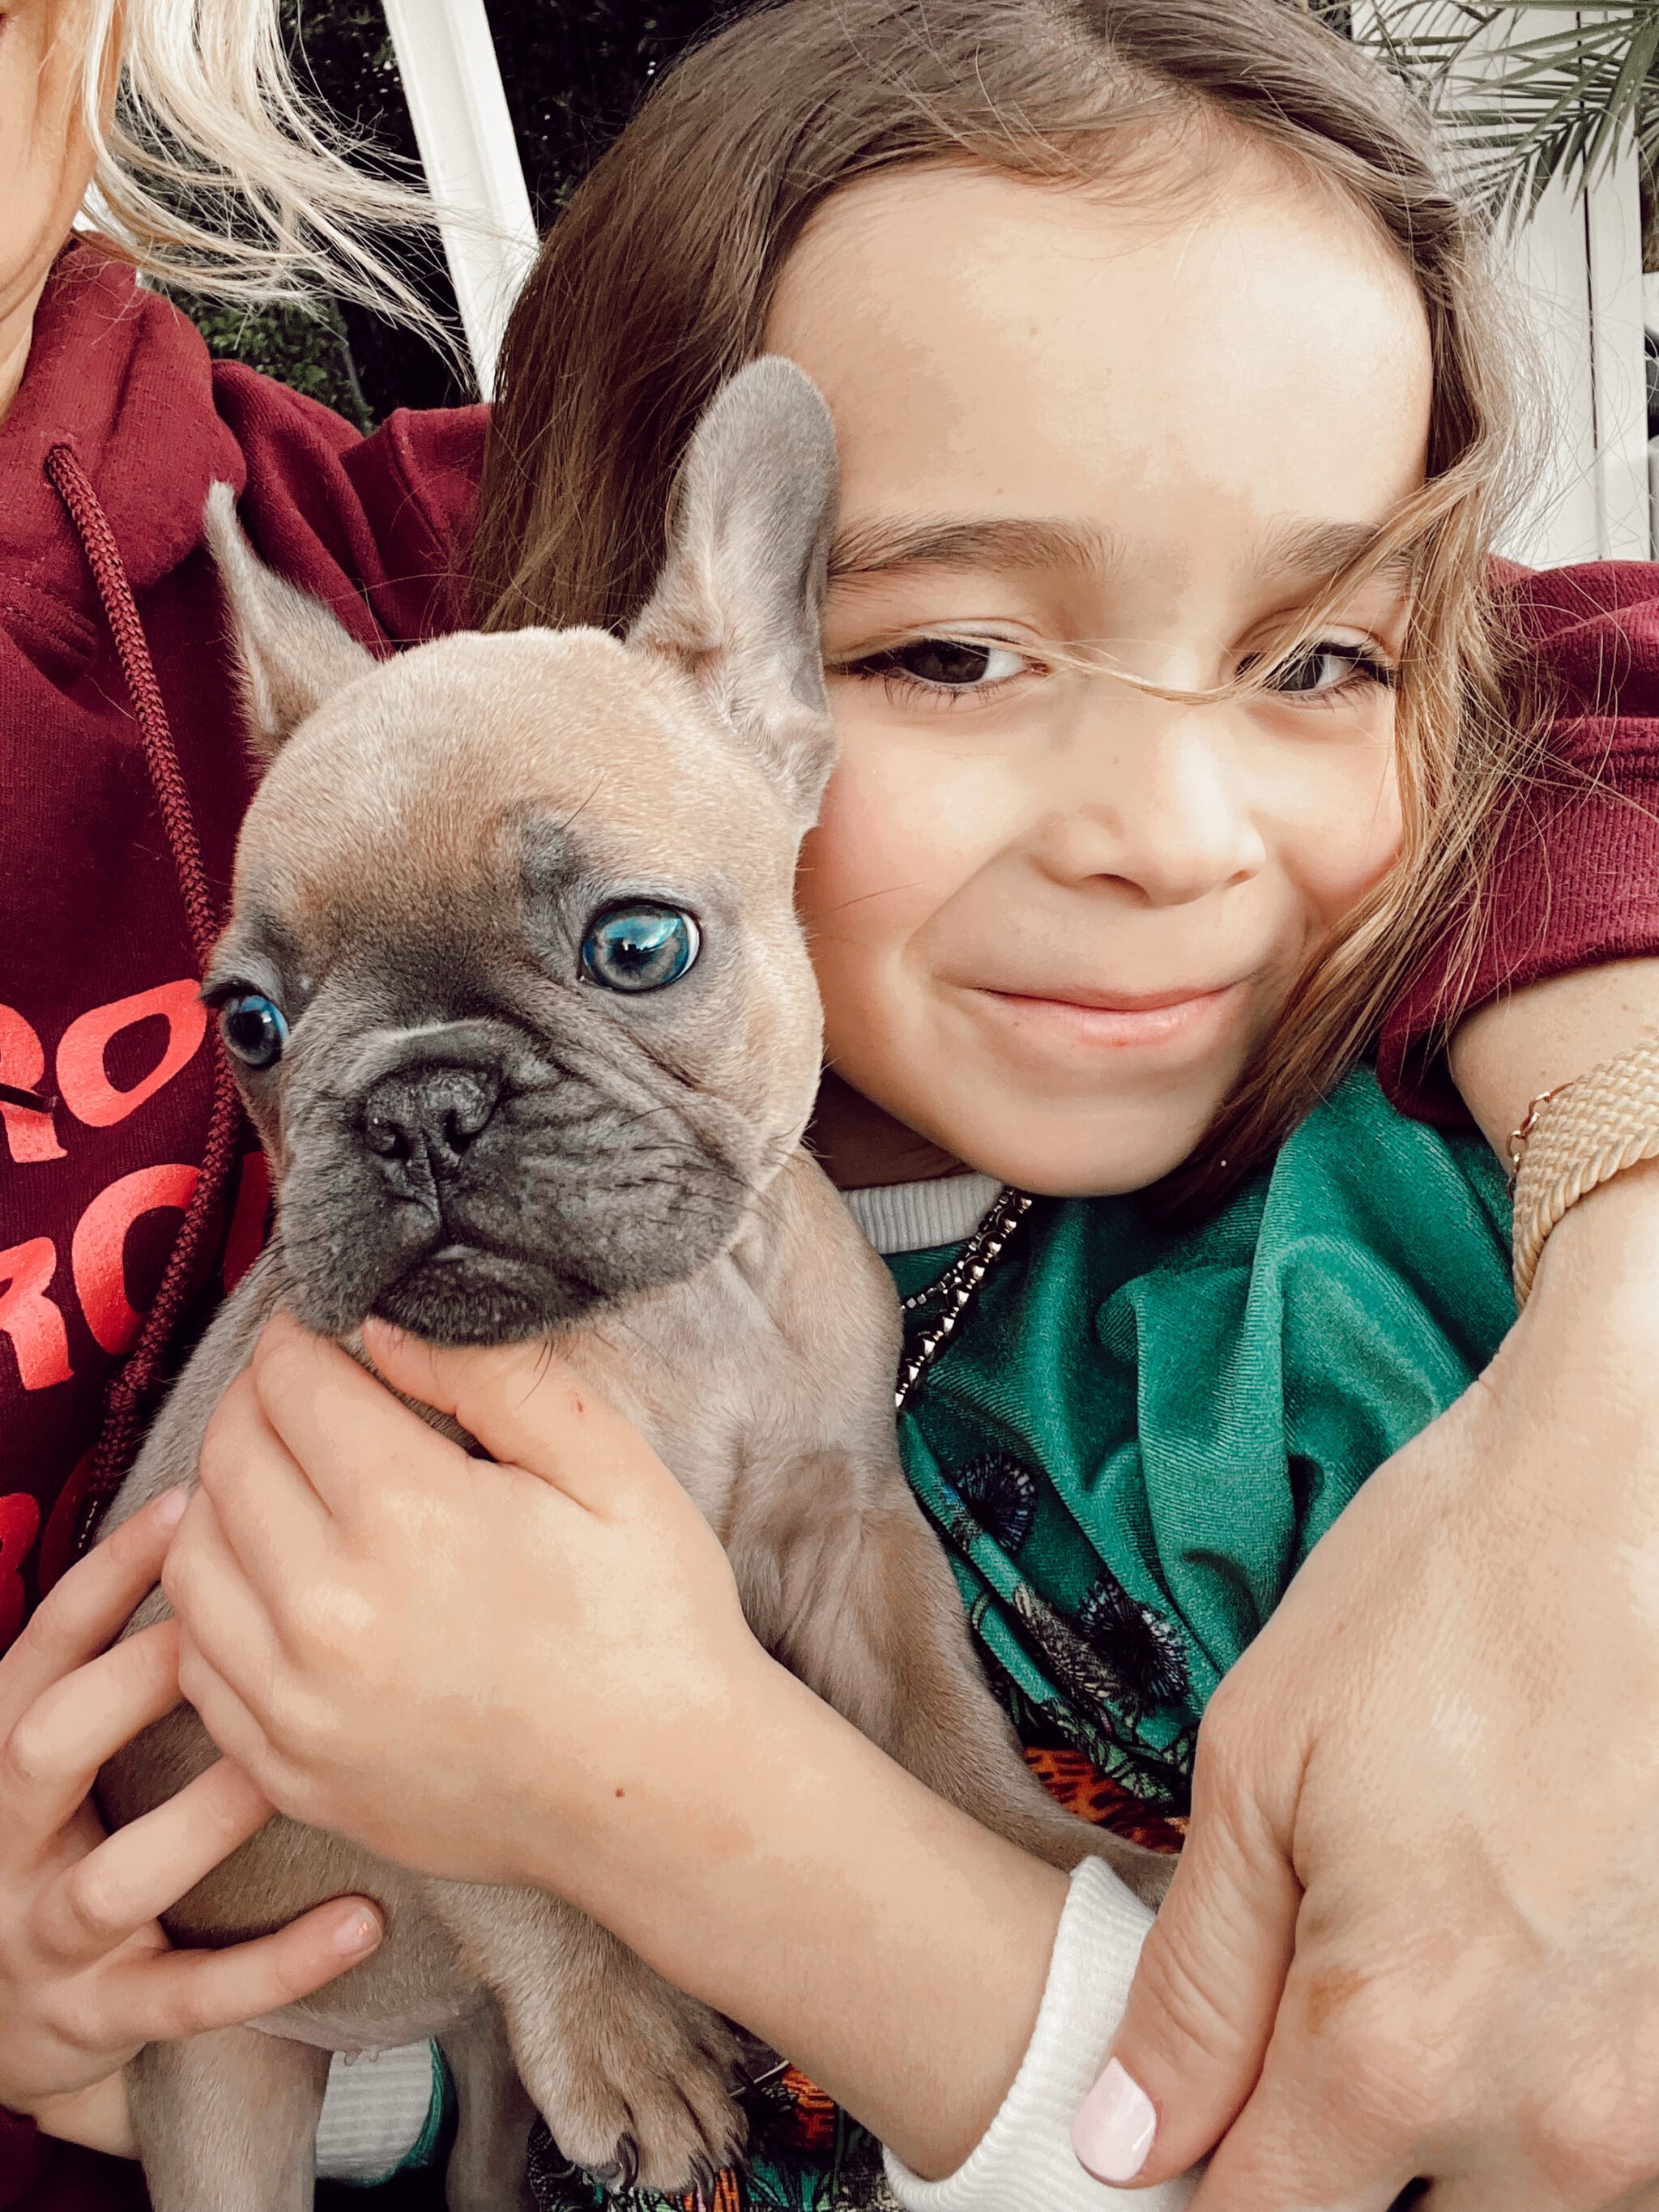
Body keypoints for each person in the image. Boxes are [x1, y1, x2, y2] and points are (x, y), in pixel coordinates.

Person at [6, 2, 1659, 2208]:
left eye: (1319, 661)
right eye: (952, 657)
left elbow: (1566, 674)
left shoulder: (1349, 1325)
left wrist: (1628, 1291)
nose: (1164, 826)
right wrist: (167, 2035)